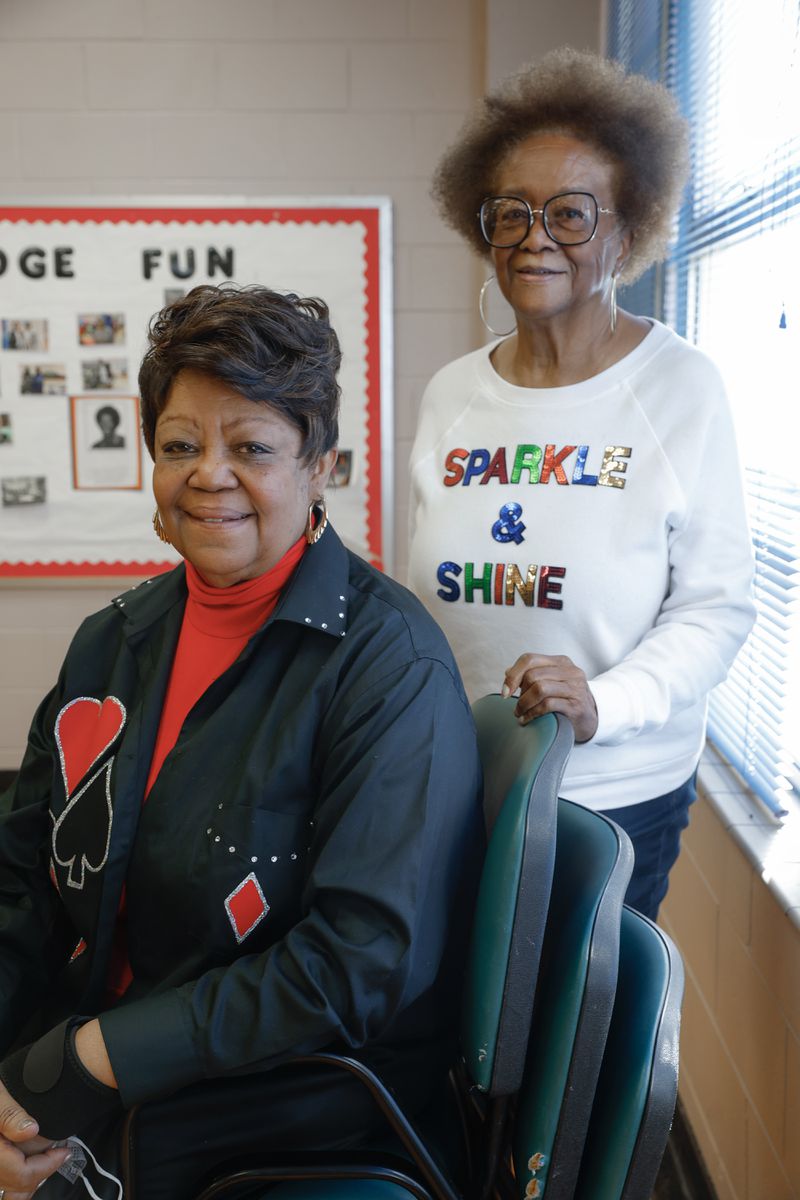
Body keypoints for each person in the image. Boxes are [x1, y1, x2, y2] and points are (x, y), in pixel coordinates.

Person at [0, 284, 484, 1199]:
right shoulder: (112, 642)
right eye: (180, 446)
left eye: (251, 447)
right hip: (104, 1062)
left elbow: (357, 964)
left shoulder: (391, 665)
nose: (207, 474)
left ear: (321, 467)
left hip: (291, 1105)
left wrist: (91, 1064)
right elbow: (21, 882)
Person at [408, 48, 755, 922]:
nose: (535, 237)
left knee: (569, 1047)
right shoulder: (453, 392)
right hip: (462, 783)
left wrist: (606, 701)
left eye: (571, 214)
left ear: (628, 235)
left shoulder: (682, 388)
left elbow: (718, 608)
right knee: (463, 1036)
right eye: (512, 212)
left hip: (613, 796)